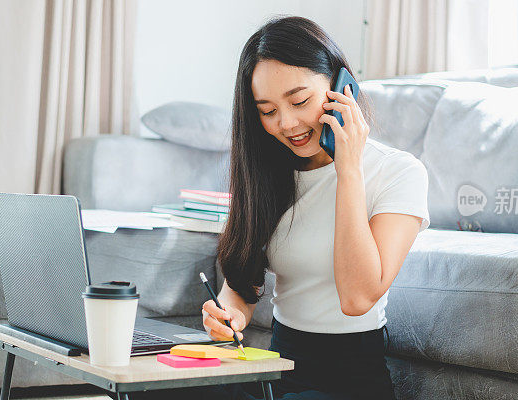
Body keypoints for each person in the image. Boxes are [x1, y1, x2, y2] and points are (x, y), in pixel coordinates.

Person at [143, 15, 430, 400]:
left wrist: (348, 171)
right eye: (267, 110)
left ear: (340, 86)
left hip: (352, 384)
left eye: (299, 101)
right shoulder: (269, 172)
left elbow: (358, 299)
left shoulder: (398, 171)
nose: (287, 124)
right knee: (153, 388)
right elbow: (241, 286)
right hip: (278, 375)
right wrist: (229, 316)